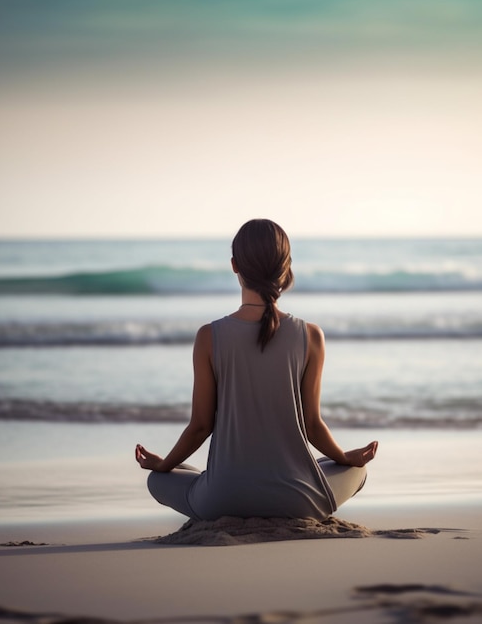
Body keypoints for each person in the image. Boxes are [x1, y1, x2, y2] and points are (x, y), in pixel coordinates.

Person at [135, 219, 378, 521]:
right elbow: (313, 425)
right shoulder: (311, 336)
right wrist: (343, 457)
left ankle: (204, 481)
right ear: (286, 267)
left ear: (235, 265)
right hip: (298, 502)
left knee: (163, 477)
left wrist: (163, 464)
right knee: (356, 470)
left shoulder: (209, 337)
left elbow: (200, 426)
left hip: (222, 501)